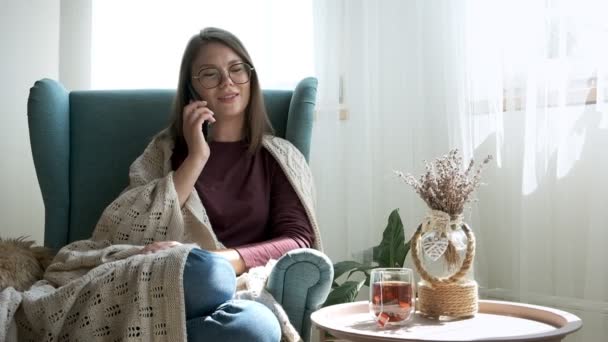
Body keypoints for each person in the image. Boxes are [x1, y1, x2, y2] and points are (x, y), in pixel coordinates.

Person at [8, 27, 321, 342]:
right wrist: (197, 157)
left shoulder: (278, 157)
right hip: (172, 277)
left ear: (250, 77)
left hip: (231, 285)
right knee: (204, 276)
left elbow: (298, 240)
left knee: (257, 326)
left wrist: (222, 259)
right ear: (192, 88)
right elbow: (124, 230)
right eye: (210, 74)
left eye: (237, 69)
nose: (227, 81)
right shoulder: (166, 151)